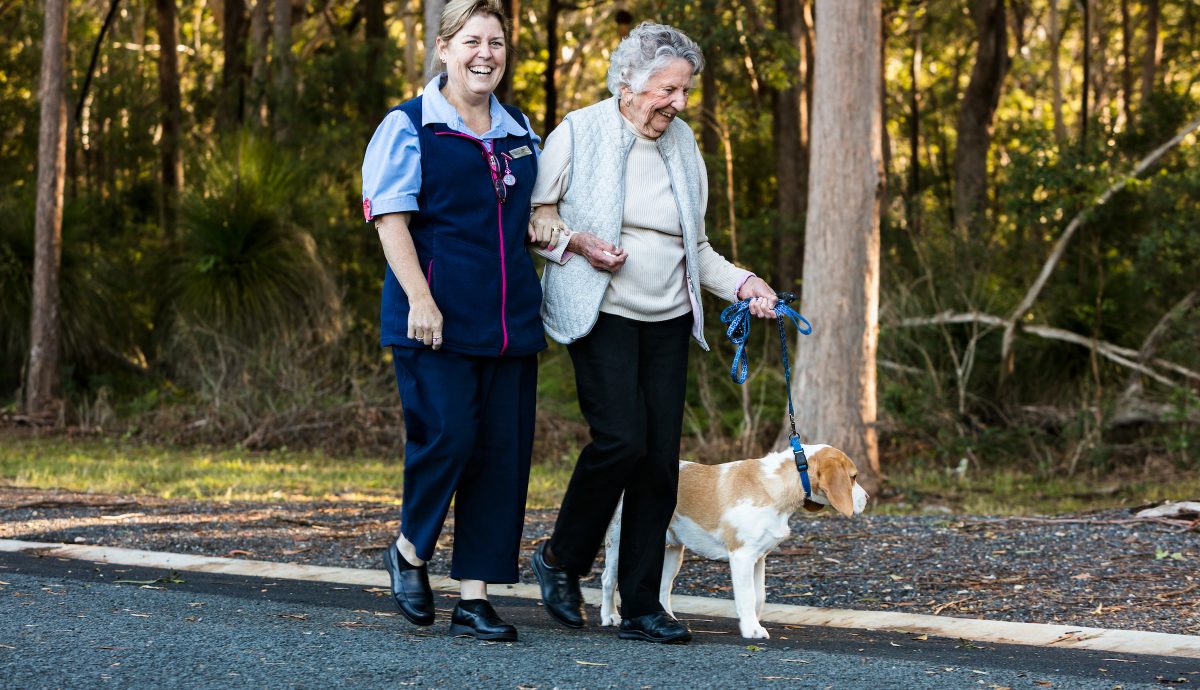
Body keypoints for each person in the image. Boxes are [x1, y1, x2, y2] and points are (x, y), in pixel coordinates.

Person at [526, 22, 780, 644]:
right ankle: (561, 558)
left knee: (660, 462)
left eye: (685, 91)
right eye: (668, 90)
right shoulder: (579, 132)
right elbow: (535, 219)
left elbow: (697, 246)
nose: (678, 103)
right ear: (628, 85)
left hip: (669, 318)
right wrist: (577, 242)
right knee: (621, 440)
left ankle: (642, 603)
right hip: (602, 311)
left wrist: (744, 283)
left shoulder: (684, 144)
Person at [360, 0, 544, 642]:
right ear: (444, 48)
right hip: (432, 319)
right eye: (472, 41)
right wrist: (419, 297)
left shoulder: (520, 129)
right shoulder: (409, 125)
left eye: (495, 42)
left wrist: (569, 239)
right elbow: (390, 218)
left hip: (511, 323)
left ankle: (473, 596)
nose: (485, 53)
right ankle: (410, 551)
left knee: (502, 457)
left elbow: (533, 218)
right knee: (449, 438)